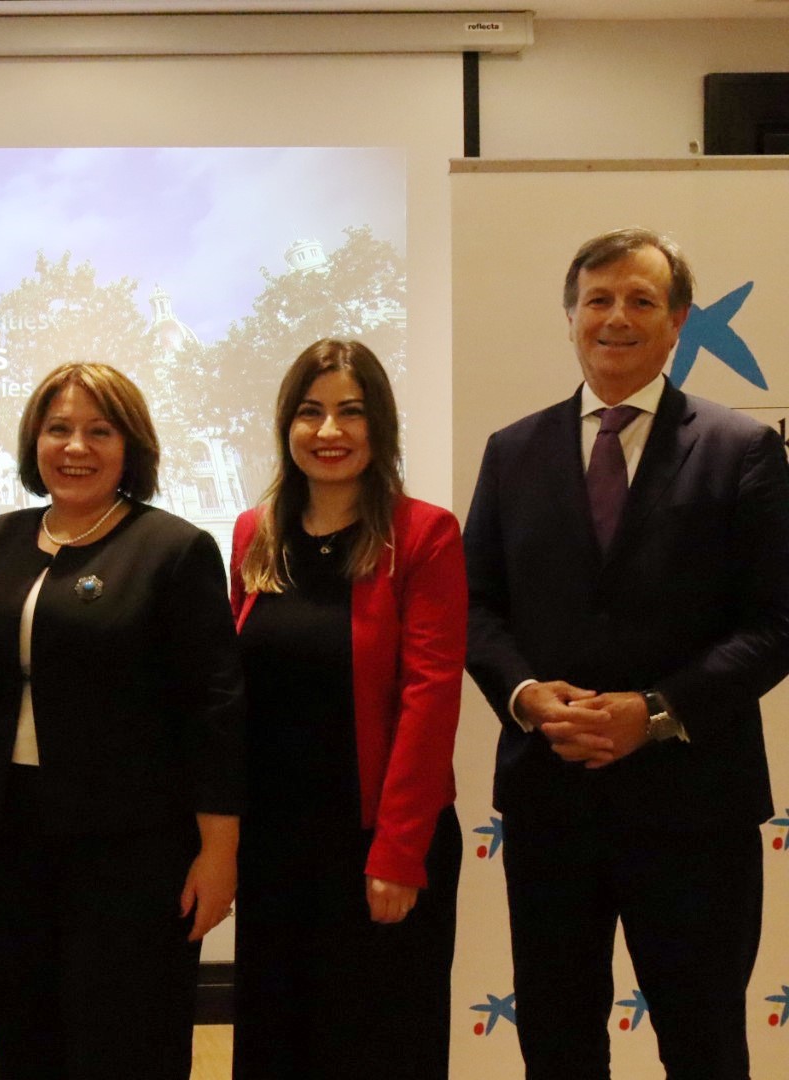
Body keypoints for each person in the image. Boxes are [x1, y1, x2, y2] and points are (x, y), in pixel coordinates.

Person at [464, 228, 789, 1078]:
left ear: (678, 320)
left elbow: (776, 623)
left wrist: (654, 712)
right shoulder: (512, 451)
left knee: (705, 1040)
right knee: (559, 1036)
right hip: (551, 803)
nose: (617, 317)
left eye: (642, 300)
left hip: (695, 812)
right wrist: (527, 693)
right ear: (570, 315)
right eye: (599, 299)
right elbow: (474, 606)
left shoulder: (742, 450)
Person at [0, 362, 243, 1080]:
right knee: (25, 1032)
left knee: (127, 1041)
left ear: (129, 446)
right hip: (14, 841)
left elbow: (217, 707)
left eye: (98, 431)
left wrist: (220, 851)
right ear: (33, 441)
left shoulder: (173, 549)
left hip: (136, 850)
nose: (75, 447)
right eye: (58, 429)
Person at [227, 339, 465, 1079]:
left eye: (350, 413)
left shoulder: (422, 534)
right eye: (311, 412)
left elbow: (430, 701)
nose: (329, 432)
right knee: (277, 1043)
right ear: (286, 426)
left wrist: (396, 853)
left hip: (377, 843)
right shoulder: (252, 534)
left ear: (380, 427)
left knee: (377, 1048)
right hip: (275, 846)